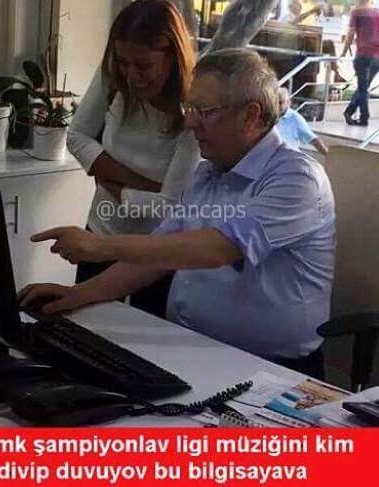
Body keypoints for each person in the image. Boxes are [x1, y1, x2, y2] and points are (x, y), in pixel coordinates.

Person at [20, 49, 336, 379]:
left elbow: (217, 249)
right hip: (191, 349)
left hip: (269, 371)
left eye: (205, 112)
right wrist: (79, 294)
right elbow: (160, 253)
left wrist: (100, 245)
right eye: (190, 108)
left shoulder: (297, 179)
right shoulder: (208, 172)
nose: (189, 122)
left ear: (250, 116)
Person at [66, 0, 200, 319]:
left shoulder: (194, 111)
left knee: (143, 339)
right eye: (124, 62)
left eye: (143, 65)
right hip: (100, 234)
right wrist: (143, 186)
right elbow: (76, 137)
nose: (131, 76)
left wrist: (110, 182)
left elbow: (168, 208)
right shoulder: (113, 77)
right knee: (85, 326)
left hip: (155, 254)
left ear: (172, 57)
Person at [341, 0, 379, 126]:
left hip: (363, 54)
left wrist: (344, 52)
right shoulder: (377, 12)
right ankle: (349, 112)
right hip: (377, 56)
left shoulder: (357, 12)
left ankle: (364, 117)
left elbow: (351, 33)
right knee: (364, 87)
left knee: (363, 88)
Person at [277, 87, 329, 155]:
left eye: (280, 102)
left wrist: (329, 156)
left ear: (288, 102)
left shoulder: (295, 118)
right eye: (275, 102)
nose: (277, 105)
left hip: (288, 157)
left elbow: (313, 139)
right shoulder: (269, 116)